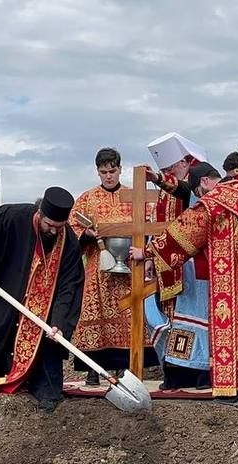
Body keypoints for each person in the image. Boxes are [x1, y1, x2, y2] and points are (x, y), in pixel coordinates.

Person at [130, 162, 238, 406]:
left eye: (198, 192)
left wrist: (147, 252)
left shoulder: (217, 199)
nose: (200, 197)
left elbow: (185, 232)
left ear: (204, 183)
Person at [0, 187, 85, 412]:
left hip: (45, 307)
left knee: (48, 345)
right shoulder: (12, 217)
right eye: (49, 225)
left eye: (59, 227)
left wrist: (59, 322)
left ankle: (45, 393)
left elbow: (70, 284)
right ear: (39, 213)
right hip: (8, 290)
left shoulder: (68, 240)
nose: (53, 231)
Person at [69, 148, 154, 386]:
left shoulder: (134, 196)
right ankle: (92, 369)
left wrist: (145, 253)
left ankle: (125, 368)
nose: (108, 176)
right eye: (104, 172)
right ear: (97, 171)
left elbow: (149, 225)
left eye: (112, 171)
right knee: (93, 313)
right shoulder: (86, 199)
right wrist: (86, 234)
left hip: (130, 267)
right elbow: (72, 228)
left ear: (120, 170)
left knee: (128, 316)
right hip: (98, 268)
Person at [142, 132, 212, 390]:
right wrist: (150, 254)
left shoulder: (196, 188)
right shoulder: (163, 195)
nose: (168, 173)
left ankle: (202, 372)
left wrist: (158, 179)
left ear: (184, 162)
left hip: (194, 265)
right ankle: (176, 373)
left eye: (170, 169)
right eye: (164, 170)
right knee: (170, 319)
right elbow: (156, 227)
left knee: (193, 319)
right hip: (167, 263)